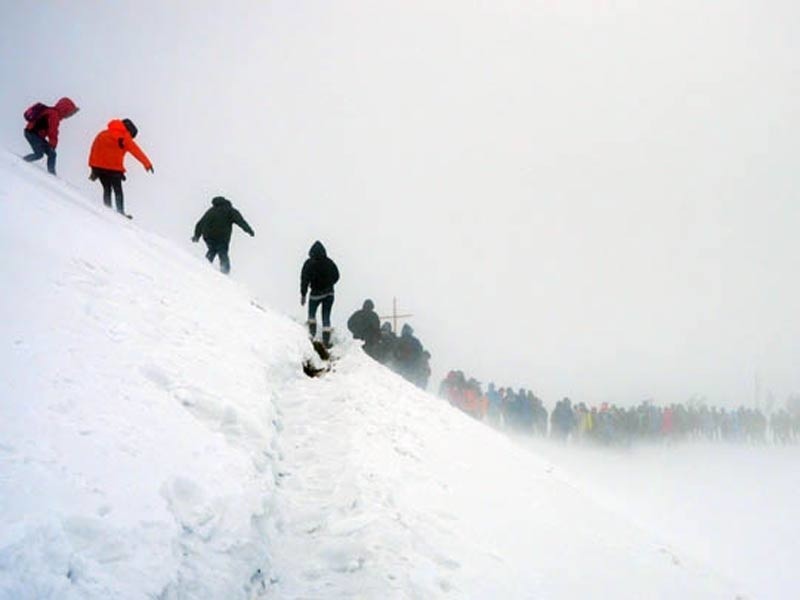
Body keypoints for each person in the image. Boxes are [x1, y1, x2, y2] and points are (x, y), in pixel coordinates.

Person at [88, 118, 153, 215]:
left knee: (107, 189)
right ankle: (120, 212)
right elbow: (136, 151)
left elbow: (94, 149)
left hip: (99, 168)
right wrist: (147, 164)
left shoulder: (102, 134)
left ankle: (107, 209)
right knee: (118, 191)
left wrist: (93, 168)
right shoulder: (124, 137)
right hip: (113, 170)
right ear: (129, 131)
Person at [192, 196, 254, 274]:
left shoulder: (211, 211)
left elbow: (200, 223)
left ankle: (205, 265)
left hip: (208, 237)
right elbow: (240, 221)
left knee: (212, 250)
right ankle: (225, 271)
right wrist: (249, 231)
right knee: (223, 252)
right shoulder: (230, 210)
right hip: (222, 237)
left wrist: (196, 236)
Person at [22, 97, 79, 175]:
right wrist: (52, 145)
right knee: (40, 154)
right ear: (65, 110)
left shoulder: (53, 113)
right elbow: (52, 131)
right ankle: (22, 161)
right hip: (32, 134)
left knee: (51, 154)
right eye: (70, 113)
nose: (69, 116)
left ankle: (51, 173)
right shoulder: (54, 115)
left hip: (33, 134)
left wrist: (52, 146)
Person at [301, 241, 340, 347]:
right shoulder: (329, 262)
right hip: (329, 293)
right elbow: (337, 275)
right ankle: (326, 342)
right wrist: (329, 284)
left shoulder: (309, 263)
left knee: (311, 315)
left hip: (315, 294)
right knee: (326, 316)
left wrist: (303, 294)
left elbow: (304, 279)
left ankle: (311, 335)